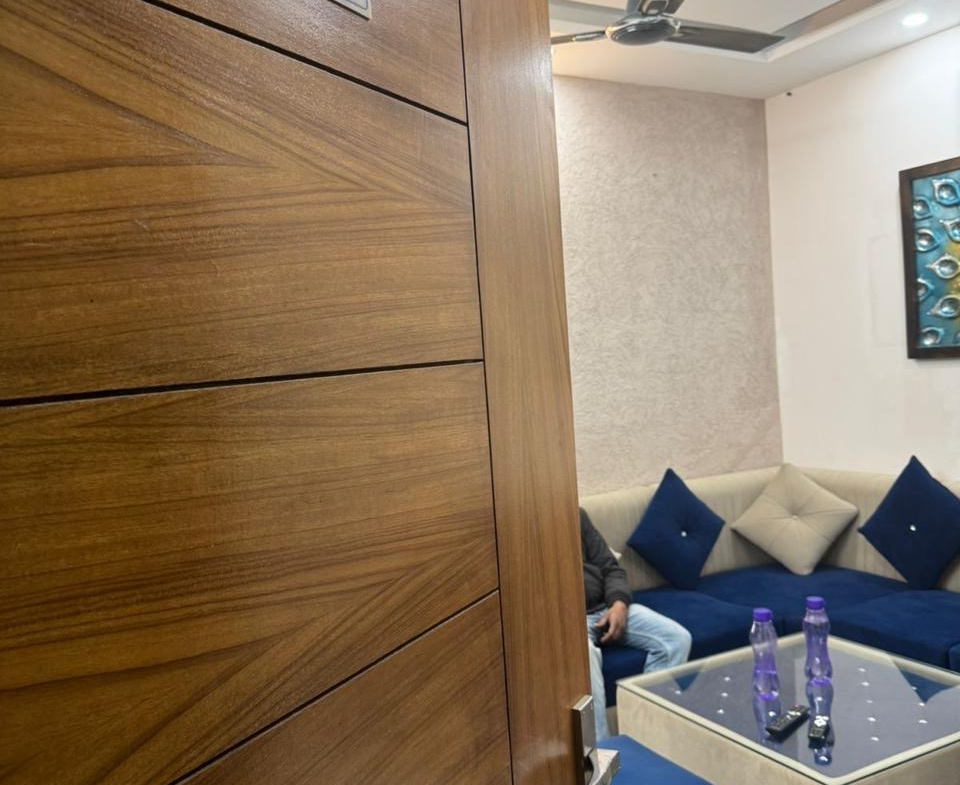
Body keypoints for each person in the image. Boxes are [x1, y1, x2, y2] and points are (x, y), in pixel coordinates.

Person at [581, 507, 691, 740]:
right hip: (569, 620)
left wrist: (619, 604)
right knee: (584, 656)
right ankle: (602, 749)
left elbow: (611, 568)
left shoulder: (576, 516)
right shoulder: (519, 531)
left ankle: (645, 732)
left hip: (607, 605)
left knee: (677, 638)